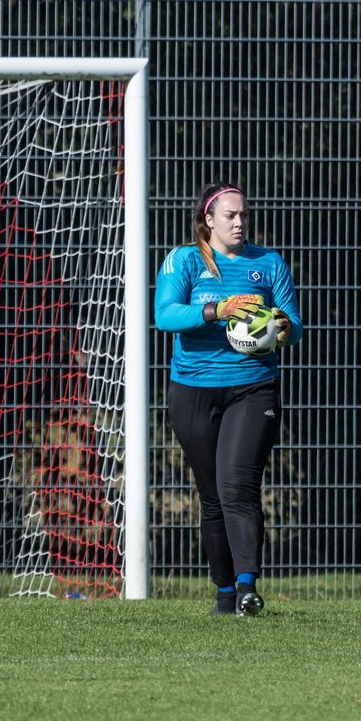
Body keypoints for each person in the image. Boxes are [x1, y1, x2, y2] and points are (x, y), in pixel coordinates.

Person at [153, 183, 303, 616]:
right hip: (193, 391)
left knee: (239, 485)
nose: (239, 223)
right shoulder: (184, 260)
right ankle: (223, 592)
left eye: (243, 215)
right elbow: (165, 315)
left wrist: (284, 327)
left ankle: (247, 588)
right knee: (212, 494)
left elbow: (294, 323)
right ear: (208, 220)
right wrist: (218, 310)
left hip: (253, 388)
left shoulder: (268, 263)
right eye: (230, 216)